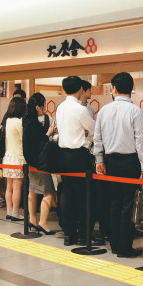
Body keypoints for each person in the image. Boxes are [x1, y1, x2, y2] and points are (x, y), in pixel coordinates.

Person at [94, 72, 143, 258]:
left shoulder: (104, 110)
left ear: (114, 89)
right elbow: (141, 141)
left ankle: (115, 245)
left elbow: (97, 139)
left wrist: (99, 161)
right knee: (127, 204)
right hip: (129, 161)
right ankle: (124, 247)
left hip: (110, 162)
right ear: (131, 89)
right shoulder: (136, 111)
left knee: (113, 203)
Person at [56, 76, 97, 246]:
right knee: (84, 196)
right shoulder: (80, 109)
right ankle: (83, 235)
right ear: (81, 89)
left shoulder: (60, 107)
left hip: (62, 155)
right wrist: (86, 139)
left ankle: (68, 235)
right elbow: (94, 129)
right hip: (79, 156)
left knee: (67, 195)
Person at [23, 93, 56, 235]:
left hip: (29, 163)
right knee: (48, 192)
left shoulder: (27, 121)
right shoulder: (34, 123)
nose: (44, 109)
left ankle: (32, 220)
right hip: (39, 163)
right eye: (43, 106)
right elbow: (40, 142)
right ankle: (42, 222)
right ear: (38, 107)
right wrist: (48, 133)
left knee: (33, 191)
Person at [3, 97, 27, 221]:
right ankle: (16, 213)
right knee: (17, 187)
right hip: (18, 158)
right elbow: (24, 139)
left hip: (7, 158)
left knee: (9, 187)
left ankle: (9, 211)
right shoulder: (19, 122)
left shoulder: (8, 121)